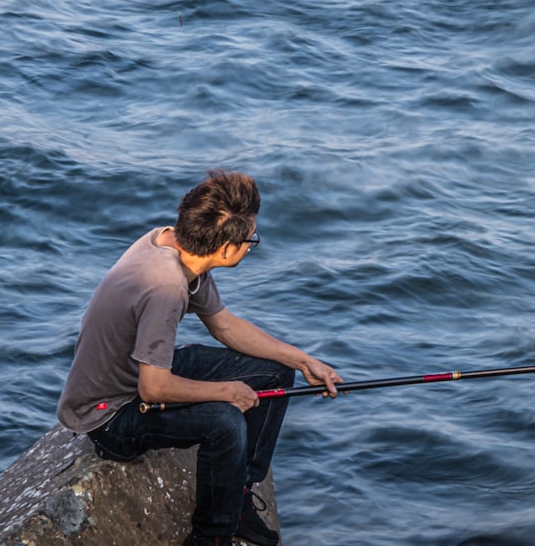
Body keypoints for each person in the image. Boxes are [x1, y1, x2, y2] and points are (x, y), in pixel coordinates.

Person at [57, 170, 342, 546]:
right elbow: (153, 387)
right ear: (226, 249)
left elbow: (224, 326)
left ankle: (237, 493)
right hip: (110, 415)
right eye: (250, 239)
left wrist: (304, 361)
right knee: (225, 423)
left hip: (137, 376)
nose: (250, 245)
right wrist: (226, 391)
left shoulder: (172, 244)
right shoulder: (165, 287)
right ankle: (212, 536)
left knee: (276, 372)